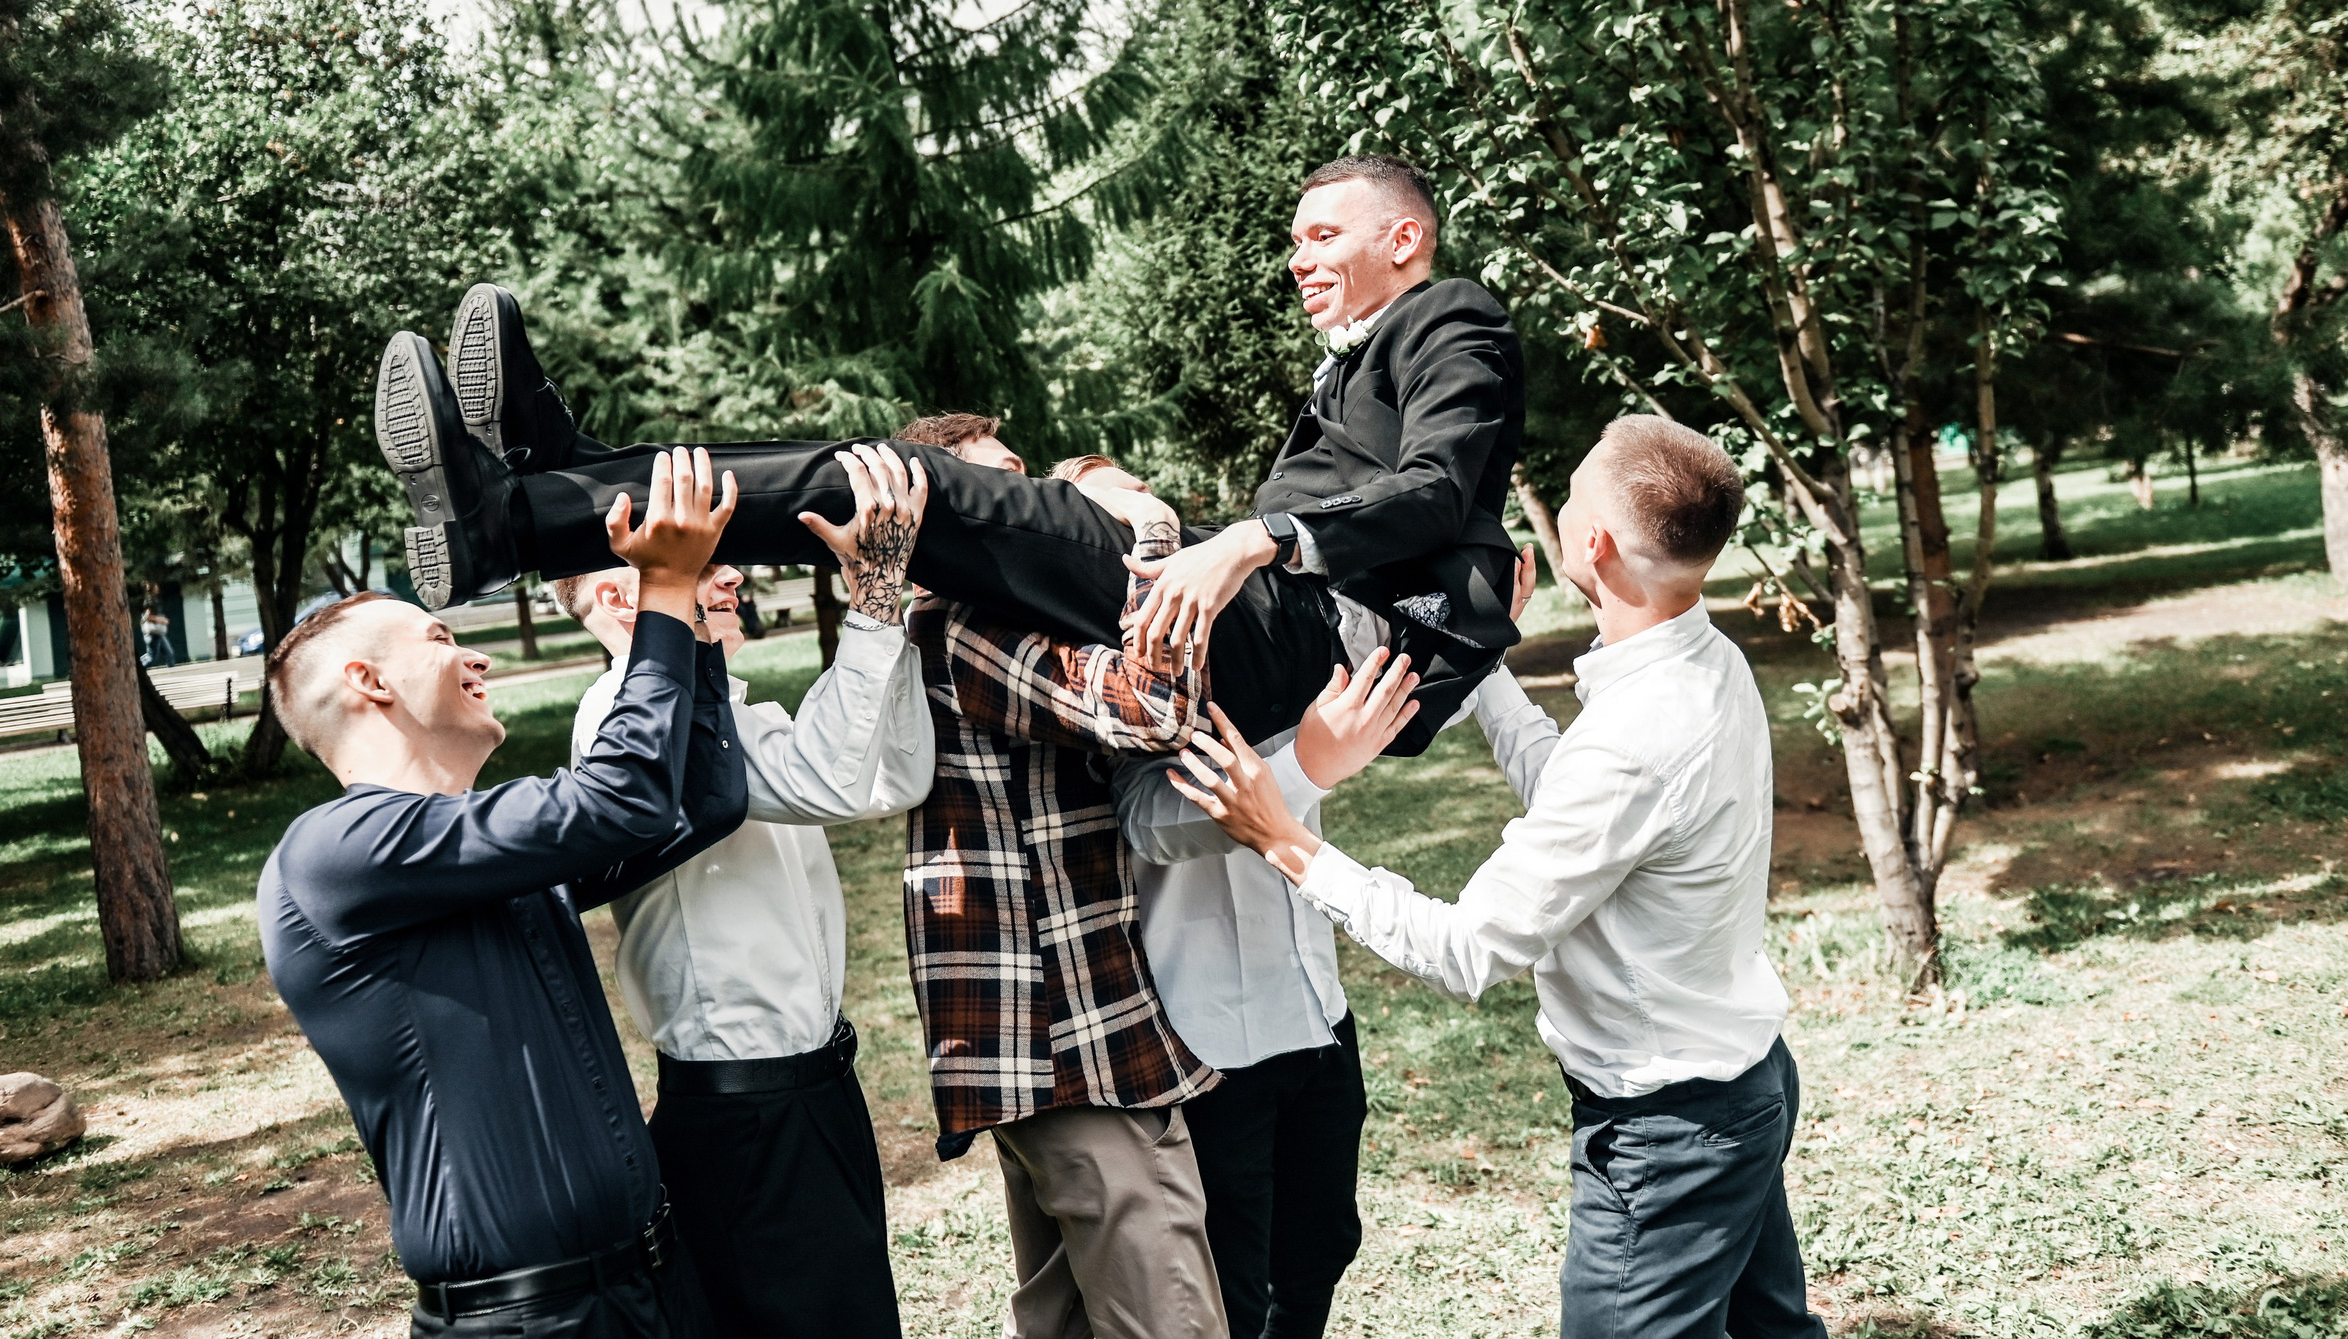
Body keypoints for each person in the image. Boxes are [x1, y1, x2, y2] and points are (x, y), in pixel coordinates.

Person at [378, 154, 1524, 757]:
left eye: (1322, 236)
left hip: (1296, 635)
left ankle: (522, 521)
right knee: (878, 474)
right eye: (1295, 241)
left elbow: (1433, 491)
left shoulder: (1451, 315)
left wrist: (1248, 540)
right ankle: (566, 480)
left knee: (902, 486)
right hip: (1269, 625)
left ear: (1404, 239)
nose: (1298, 260)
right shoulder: (1380, 343)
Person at [1171, 416, 1828, 1339]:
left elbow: (1467, 949)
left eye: (1570, 497)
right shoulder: (1703, 662)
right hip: (1740, 1081)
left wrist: (1286, 839)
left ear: (1590, 542)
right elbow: (1582, 795)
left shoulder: (1637, 736)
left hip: (1667, 1131)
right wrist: (1478, 655)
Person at [257, 396, 745, 1339]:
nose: (473, 652)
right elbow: (624, 798)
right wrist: (664, 597)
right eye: (440, 639)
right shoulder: (332, 855)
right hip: (526, 1322)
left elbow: (704, 801)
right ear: (369, 682)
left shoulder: (479, 846)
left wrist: (702, 626)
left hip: (653, 1288)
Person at [554, 442, 935, 1339]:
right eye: (706, 564)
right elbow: (833, 781)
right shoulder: (627, 715)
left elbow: (892, 777)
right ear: (621, 596)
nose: (731, 581)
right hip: (745, 1114)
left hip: (812, 1090)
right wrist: (871, 599)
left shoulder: (738, 713)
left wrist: (896, 612)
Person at [1111, 534, 1534, 1339]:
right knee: (1227, 1276)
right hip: (1209, 1044)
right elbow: (1147, 820)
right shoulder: (1123, 675)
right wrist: (1305, 766)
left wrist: (1477, 635)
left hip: (1317, 1014)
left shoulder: (1271, 630)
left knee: (1322, 1247)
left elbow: (1394, 696)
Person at [897, 421, 1226, 1339]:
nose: (1039, 506)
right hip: (1071, 1042)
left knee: (1062, 1316)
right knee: (1171, 1320)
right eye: (1003, 488)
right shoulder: (966, 624)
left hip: (1052, 1037)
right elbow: (1152, 705)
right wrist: (1152, 527)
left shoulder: (980, 615)